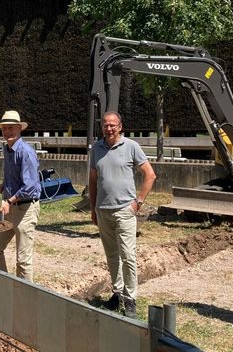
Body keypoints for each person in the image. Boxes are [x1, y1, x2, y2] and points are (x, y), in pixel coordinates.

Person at [89, 111, 156, 317]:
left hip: (125, 211)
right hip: (103, 210)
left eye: (113, 125)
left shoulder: (131, 147)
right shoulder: (96, 149)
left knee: (127, 255)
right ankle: (117, 293)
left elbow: (150, 175)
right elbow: (93, 180)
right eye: (106, 125)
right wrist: (93, 208)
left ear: (120, 126)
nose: (109, 128)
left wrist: (138, 202)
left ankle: (130, 298)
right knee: (112, 255)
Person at [0, 110, 42, 281]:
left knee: (23, 261)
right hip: (9, 208)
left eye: (11, 128)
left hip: (25, 209)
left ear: (19, 129)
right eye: (5, 128)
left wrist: (9, 201)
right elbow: (17, 176)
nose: (7, 132)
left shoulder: (25, 152)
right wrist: (5, 185)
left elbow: (31, 186)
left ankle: (24, 300)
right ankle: (5, 287)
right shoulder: (7, 149)